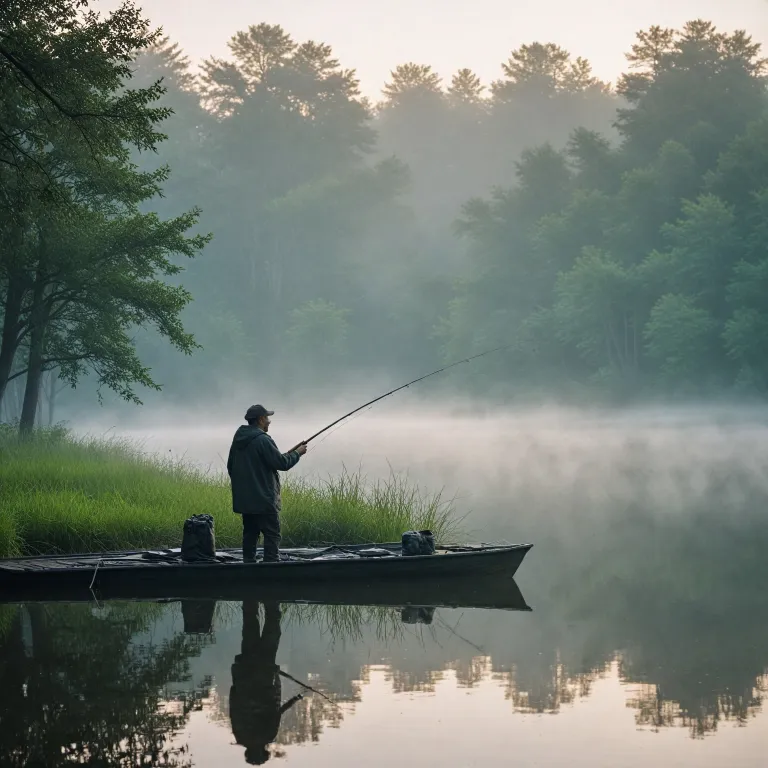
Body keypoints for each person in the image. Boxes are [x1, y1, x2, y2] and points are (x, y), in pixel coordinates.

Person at [227, 404, 307, 562]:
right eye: (267, 418)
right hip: (264, 501)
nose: (269, 421)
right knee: (272, 534)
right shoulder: (263, 440)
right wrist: (298, 453)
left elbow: (231, 467)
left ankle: (247, 566)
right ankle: (271, 568)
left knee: (250, 534)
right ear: (261, 419)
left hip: (246, 501)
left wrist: (289, 453)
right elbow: (282, 464)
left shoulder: (238, 440)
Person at [229, 601, 302, 765]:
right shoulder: (239, 734)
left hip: (264, 675)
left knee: (272, 633)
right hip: (245, 673)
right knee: (250, 630)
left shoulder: (267, 735)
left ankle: (272, 604)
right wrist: (237, 677)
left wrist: (295, 699)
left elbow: (277, 710)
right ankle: (250, 600)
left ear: (263, 751)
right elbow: (233, 704)